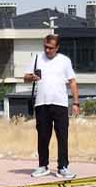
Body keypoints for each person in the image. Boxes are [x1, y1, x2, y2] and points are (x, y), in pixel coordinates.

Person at [21, 33, 80, 178]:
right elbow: (25, 78)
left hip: (60, 103)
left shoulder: (64, 61)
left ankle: (63, 167)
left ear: (57, 48)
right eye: (45, 47)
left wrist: (76, 102)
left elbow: (72, 82)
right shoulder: (36, 58)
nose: (47, 50)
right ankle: (43, 166)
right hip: (41, 103)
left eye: (51, 48)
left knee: (62, 136)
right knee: (42, 136)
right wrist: (31, 77)